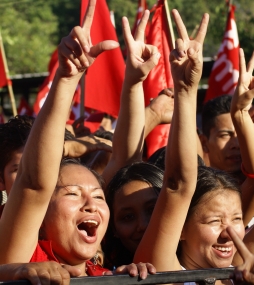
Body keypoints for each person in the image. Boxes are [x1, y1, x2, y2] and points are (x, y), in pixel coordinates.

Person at [0, 0, 155, 279]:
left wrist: (133, 82)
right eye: (71, 194)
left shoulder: (109, 275)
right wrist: (67, 77)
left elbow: (124, 160)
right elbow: (35, 184)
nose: (90, 204)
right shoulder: (21, 257)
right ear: (41, 219)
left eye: (98, 196)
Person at [134, 9, 254, 285]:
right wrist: (186, 90)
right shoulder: (166, 273)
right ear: (181, 228)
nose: (229, 233)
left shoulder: (246, 273)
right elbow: (177, 185)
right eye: (214, 222)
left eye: (236, 219)